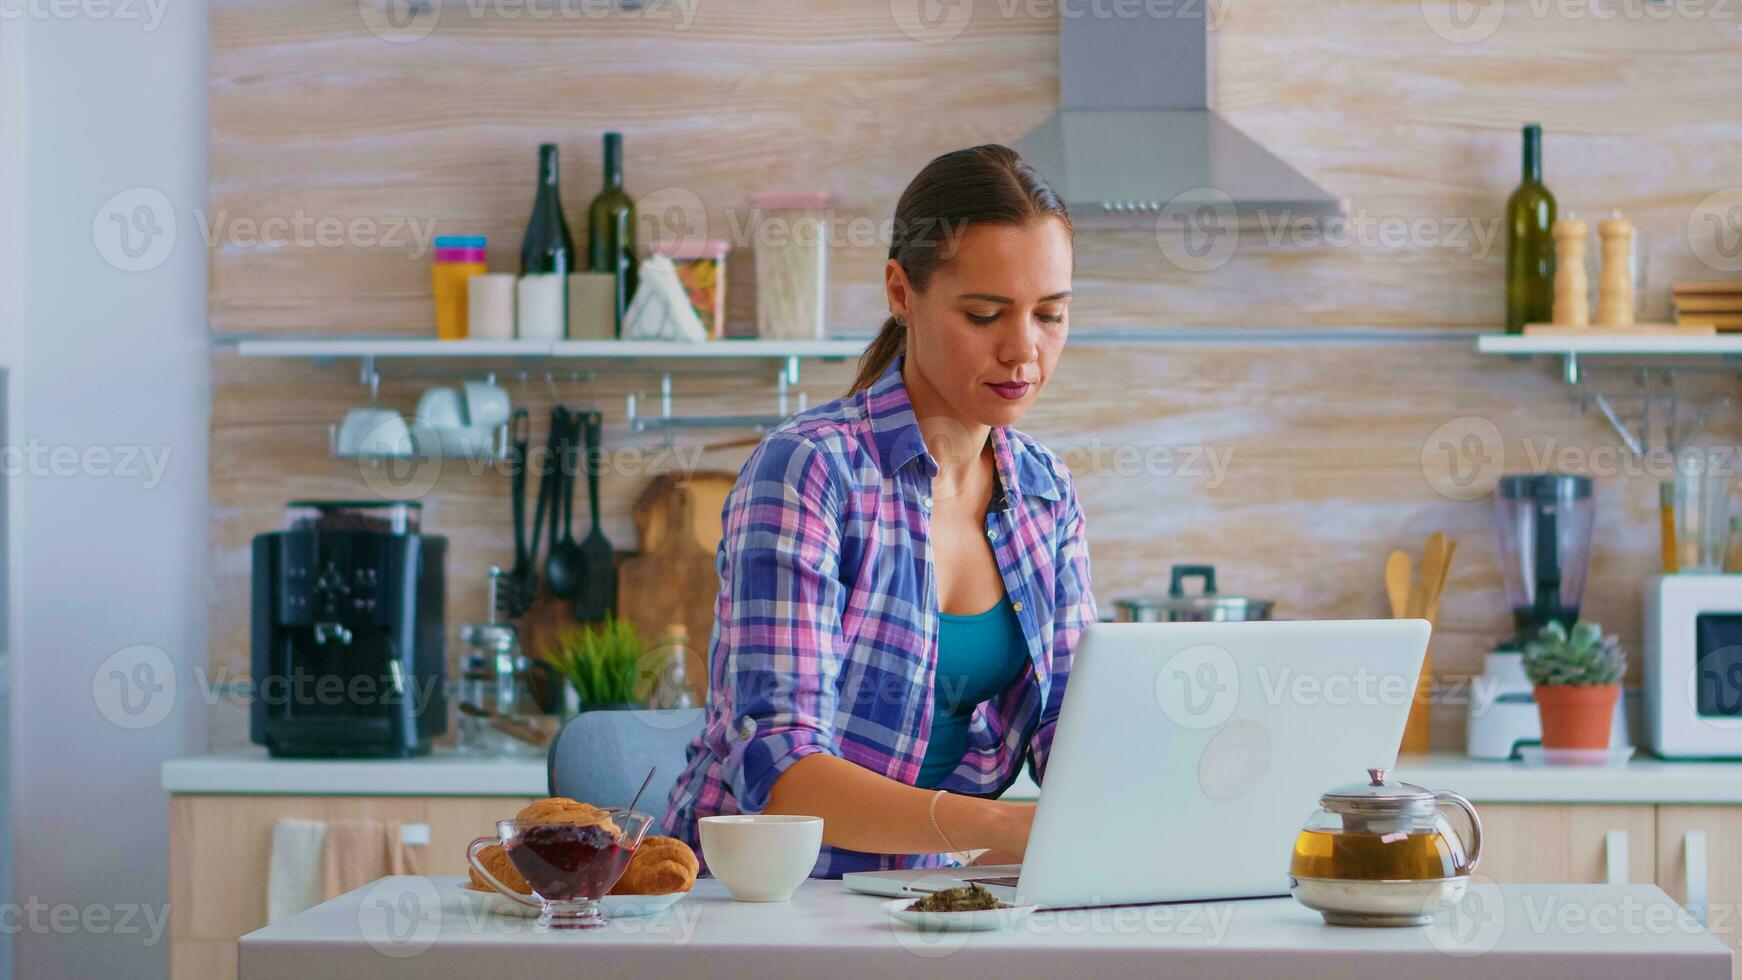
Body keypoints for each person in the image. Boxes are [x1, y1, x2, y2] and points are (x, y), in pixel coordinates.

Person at [661, 144, 1096, 877]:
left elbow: (1069, 730)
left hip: (917, 900)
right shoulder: (810, 473)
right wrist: (1000, 826)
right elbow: (782, 772)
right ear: (901, 292)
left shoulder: (1045, 494)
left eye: (1050, 315)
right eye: (986, 314)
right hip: (755, 901)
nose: (1024, 350)